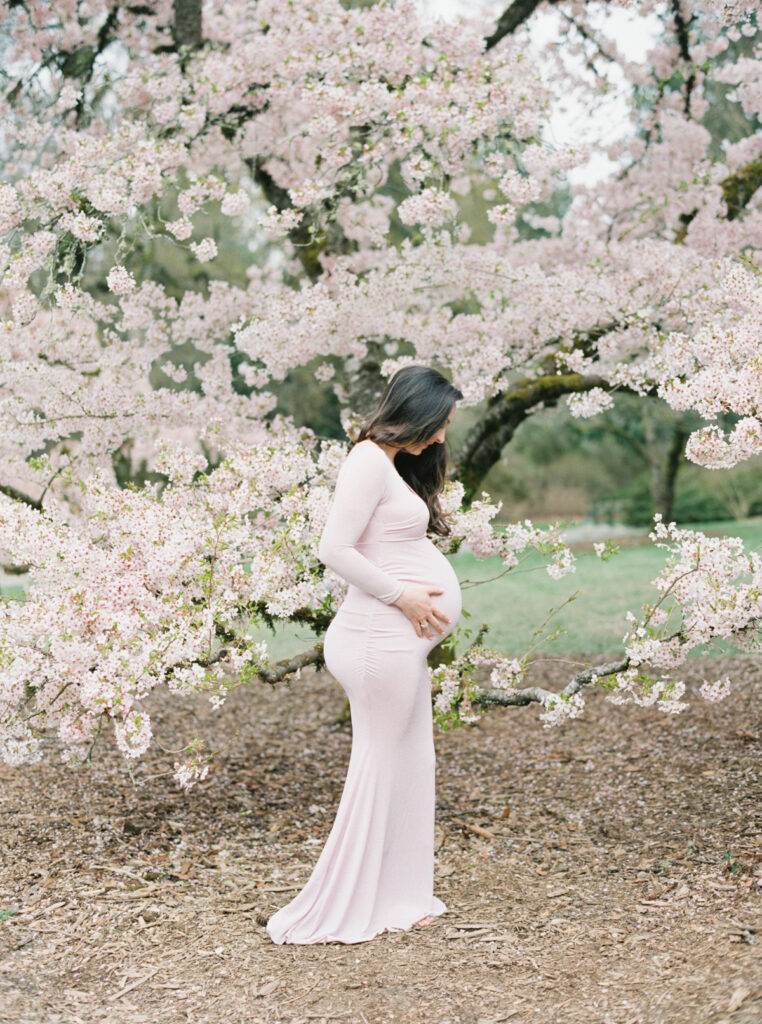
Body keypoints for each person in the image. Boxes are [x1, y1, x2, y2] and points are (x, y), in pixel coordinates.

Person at [264, 364, 464, 945]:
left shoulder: (390, 466)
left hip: (397, 642)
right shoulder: (367, 461)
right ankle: (347, 903)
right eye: (441, 424)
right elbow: (334, 547)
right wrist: (402, 594)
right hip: (377, 638)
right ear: (418, 411)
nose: (442, 438)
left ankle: (403, 895)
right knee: (379, 765)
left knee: (411, 761)